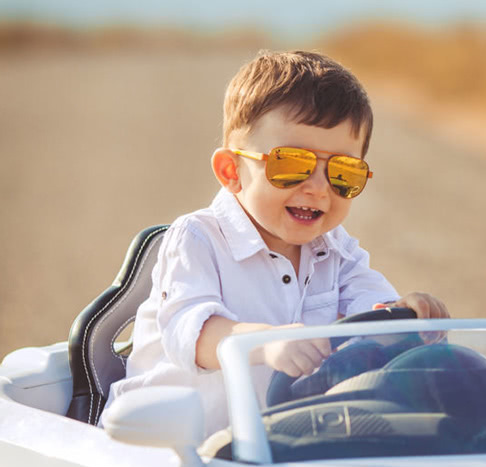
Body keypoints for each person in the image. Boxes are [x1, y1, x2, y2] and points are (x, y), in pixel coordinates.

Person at [103, 50, 449, 437]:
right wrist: (268, 343)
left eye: (343, 172)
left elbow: (376, 313)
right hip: (161, 450)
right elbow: (194, 333)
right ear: (231, 171)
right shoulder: (197, 239)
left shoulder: (339, 252)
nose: (317, 188)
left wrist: (408, 315)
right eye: (291, 165)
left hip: (275, 449)